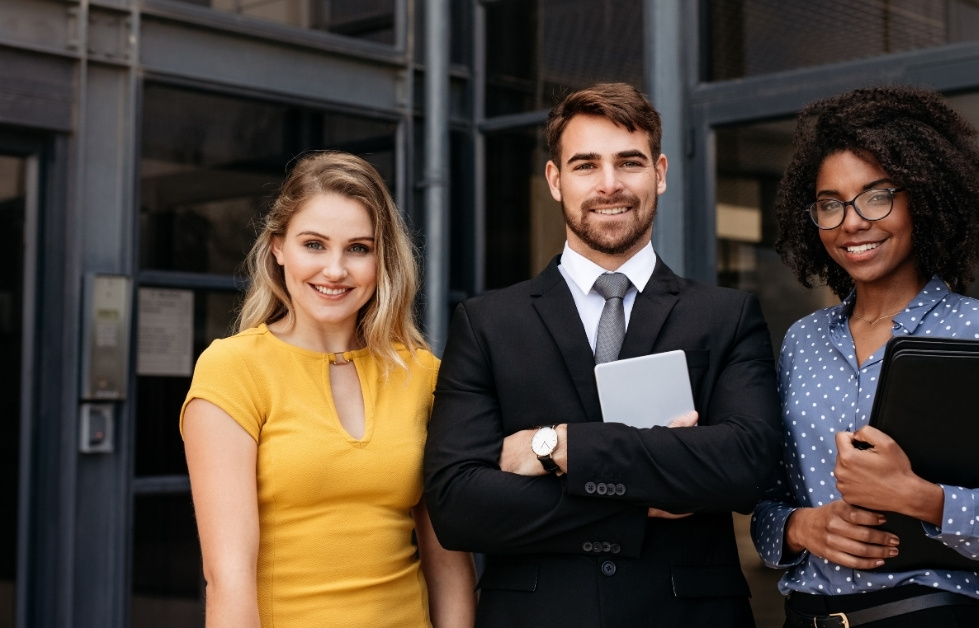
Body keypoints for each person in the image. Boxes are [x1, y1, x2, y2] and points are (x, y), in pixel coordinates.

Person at [423, 82, 782, 627]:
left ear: (660, 172)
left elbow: (745, 467)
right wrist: (639, 500)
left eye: (629, 162)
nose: (609, 184)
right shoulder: (487, 323)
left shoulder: (726, 316)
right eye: (586, 165)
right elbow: (458, 505)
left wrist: (558, 447)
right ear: (555, 179)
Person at [752, 86, 979, 627]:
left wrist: (924, 499)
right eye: (830, 204)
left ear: (924, 199)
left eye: (876, 196)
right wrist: (800, 528)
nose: (852, 222)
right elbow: (767, 503)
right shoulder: (803, 341)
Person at [180, 152, 476, 628]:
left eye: (358, 248)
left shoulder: (422, 374)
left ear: (382, 259)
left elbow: (448, 564)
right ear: (278, 247)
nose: (335, 270)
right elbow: (228, 579)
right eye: (314, 245)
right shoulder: (233, 370)